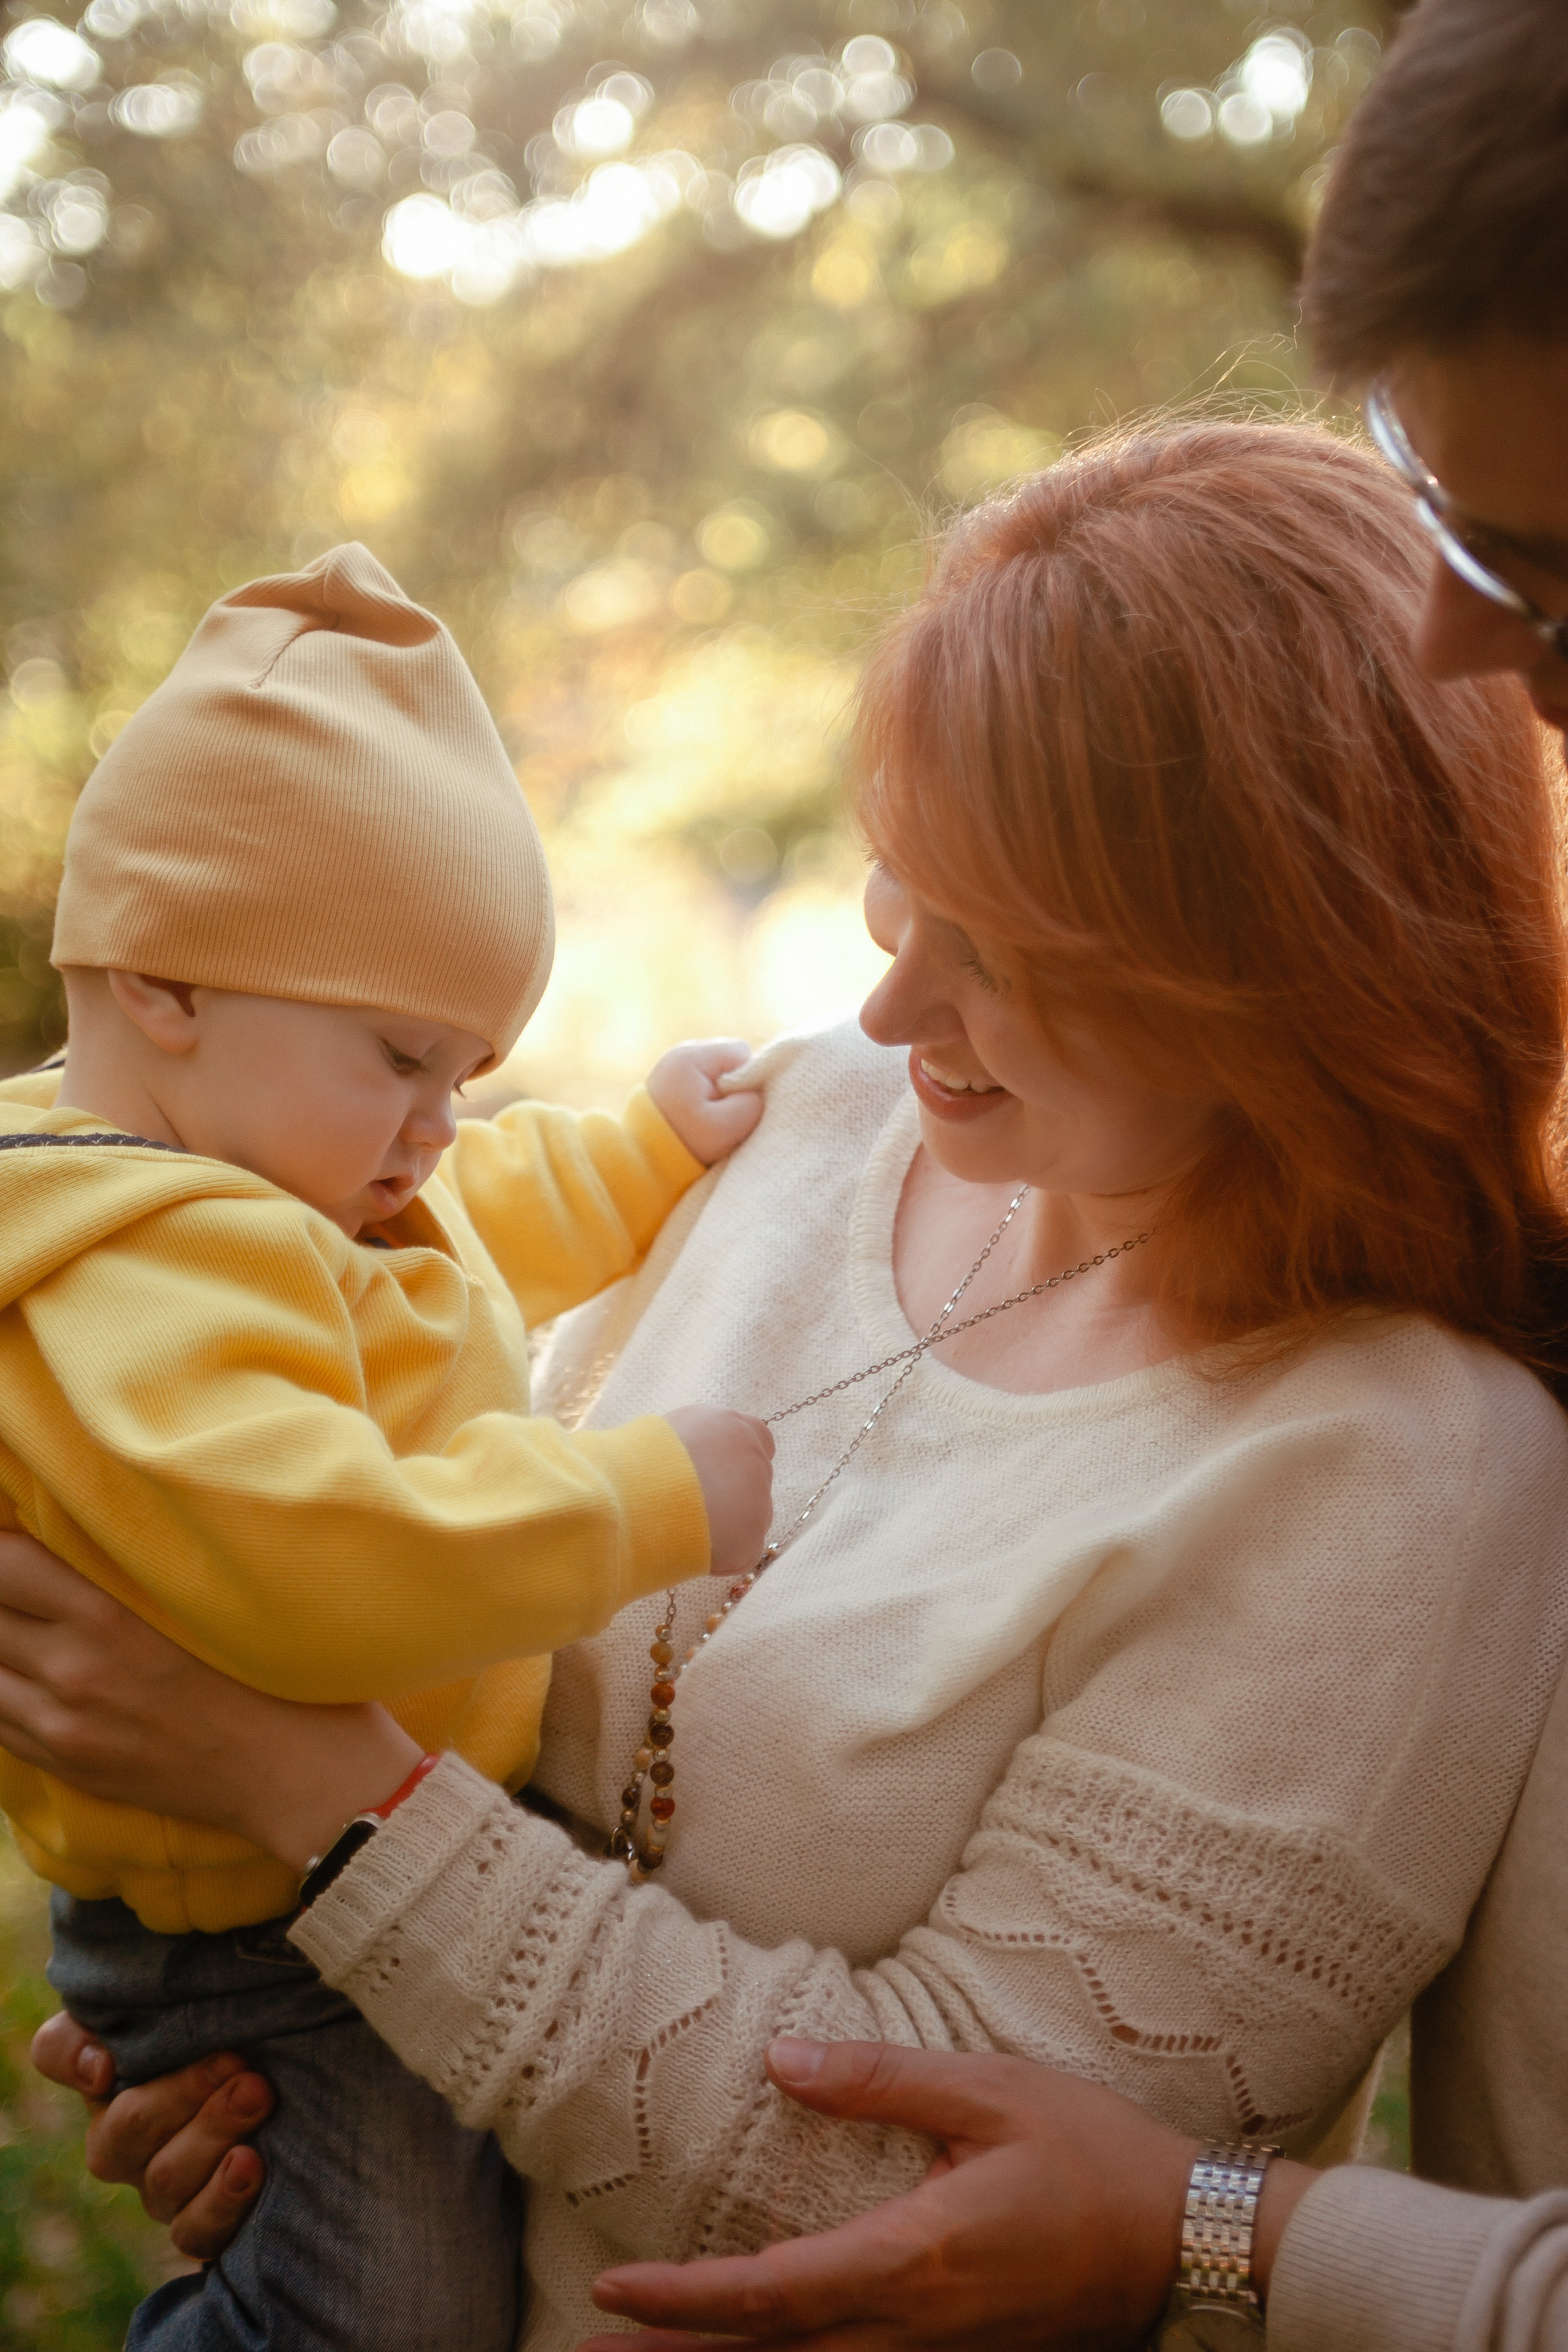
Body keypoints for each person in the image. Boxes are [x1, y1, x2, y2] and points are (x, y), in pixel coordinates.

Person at [8, 413, 1568, 2352]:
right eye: (898, 886)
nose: (894, 1001)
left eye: (1007, 953)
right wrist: (253, 2033)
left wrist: (295, 1789)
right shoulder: (808, 1124)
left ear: (1285, 972)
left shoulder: (1404, 1474)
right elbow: (430, 1522)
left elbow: (927, 2204)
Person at [0, 538, 776, 2350]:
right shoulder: (141, 1270)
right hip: (266, 1937)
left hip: (338, 1869)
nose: (441, 1126)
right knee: (386, 2324)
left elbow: (464, 1229)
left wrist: (641, 1153)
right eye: (406, 1060)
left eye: (470, 1074)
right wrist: (639, 1495)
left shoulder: (252, 1177)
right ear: (170, 983)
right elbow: (321, 1564)